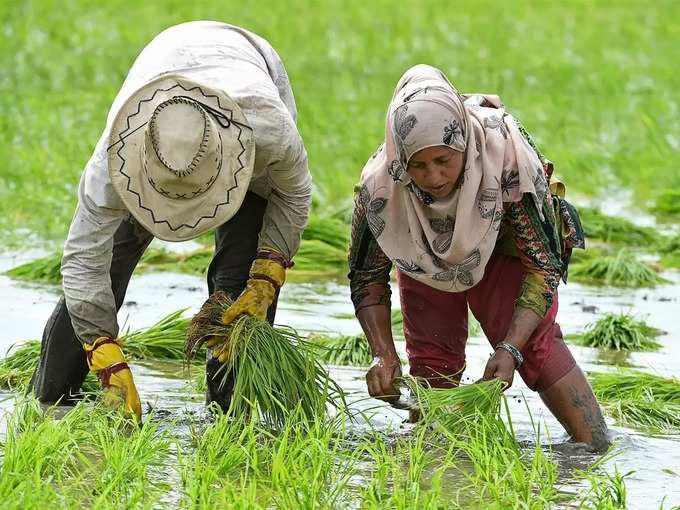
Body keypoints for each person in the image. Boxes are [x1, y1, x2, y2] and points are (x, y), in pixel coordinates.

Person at [29, 21, 311, 422]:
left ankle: (230, 416)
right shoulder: (117, 162)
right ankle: (51, 403)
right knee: (108, 270)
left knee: (239, 282)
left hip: (246, 74)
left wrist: (267, 272)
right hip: (163, 64)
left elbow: (294, 194)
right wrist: (102, 349)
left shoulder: (268, 133)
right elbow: (83, 259)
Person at [348, 64, 609, 448]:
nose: (434, 177)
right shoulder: (380, 187)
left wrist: (511, 348)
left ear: (464, 144)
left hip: (503, 247)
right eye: (418, 165)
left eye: (443, 160)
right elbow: (366, 277)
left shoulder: (504, 156)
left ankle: (595, 447)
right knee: (432, 361)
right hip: (424, 257)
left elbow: (543, 263)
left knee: (536, 345)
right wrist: (382, 354)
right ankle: (433, 460)